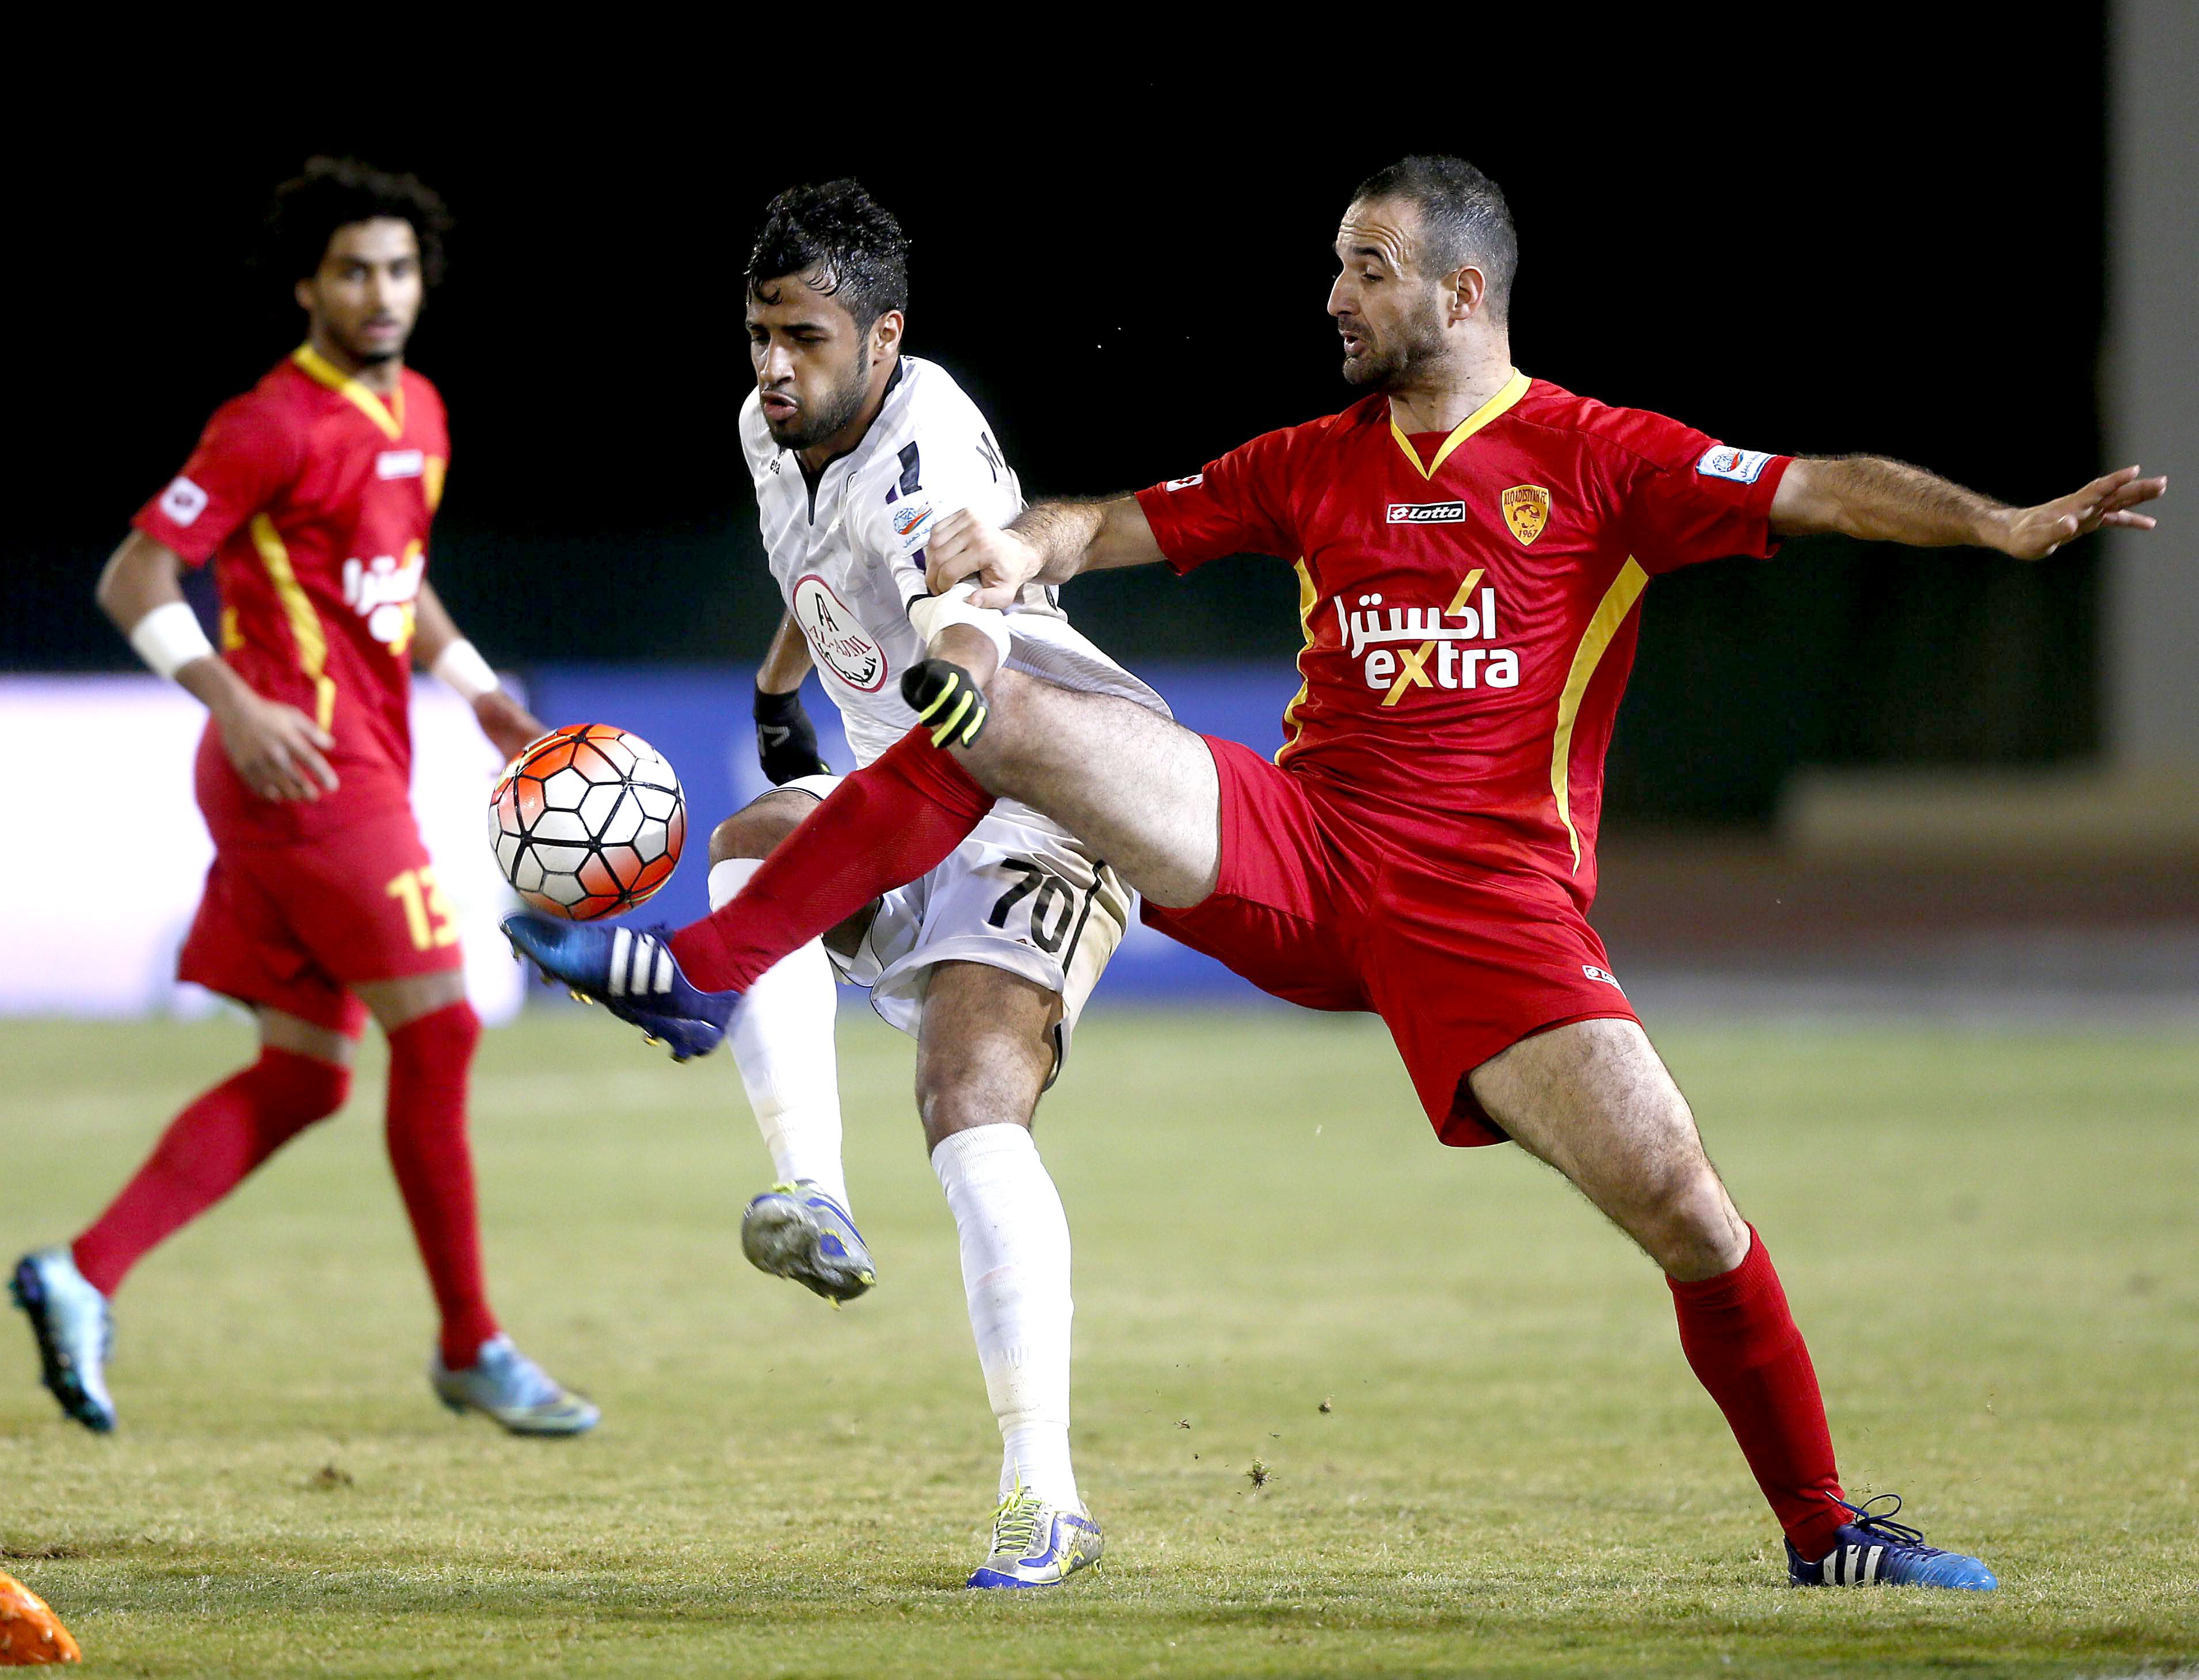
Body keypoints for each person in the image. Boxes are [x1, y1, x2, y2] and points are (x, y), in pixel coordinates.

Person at [506, 155, 2166, 1586]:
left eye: (1360, 268)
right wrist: (1014, 548)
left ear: (1458, 286)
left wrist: (2005, 527)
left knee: (1688, 1217)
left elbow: (1812, 488)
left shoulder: (1597, 456)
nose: (1330, 296)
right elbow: (1107, 528)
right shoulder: (1309, 462)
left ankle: (1822, 1531)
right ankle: (711, 978)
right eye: (1330, 267)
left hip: (1491, 916)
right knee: (998, 707)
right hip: (1292, 850)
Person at [13, 157, 595, 1438]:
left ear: (418, 280)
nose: (379, 292)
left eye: (397, 268)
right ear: (307, 285)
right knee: (439, 1030)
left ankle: (81, 1270)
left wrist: (476, 683)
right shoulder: (271, 422)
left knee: (306, 1075)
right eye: (352, 271)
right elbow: (134, 576)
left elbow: (397, 577)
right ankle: (469, 1343)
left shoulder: (425, 412)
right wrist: (227, 694)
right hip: (302, 771)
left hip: (358, 760)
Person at [647, 180, 1164, 1588]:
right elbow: (823, 566)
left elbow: (945, 607)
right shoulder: (773, 428)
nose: (772, 366)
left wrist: (946, 667)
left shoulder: (932, 444)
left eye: (804, 338)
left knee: (969, 1095)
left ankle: (1040, 1491)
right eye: (758, 333)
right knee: (753, 842)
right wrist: (775, 686)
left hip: (1035, 781)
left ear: (884, 336)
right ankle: (808, 1190)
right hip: (895, 777)